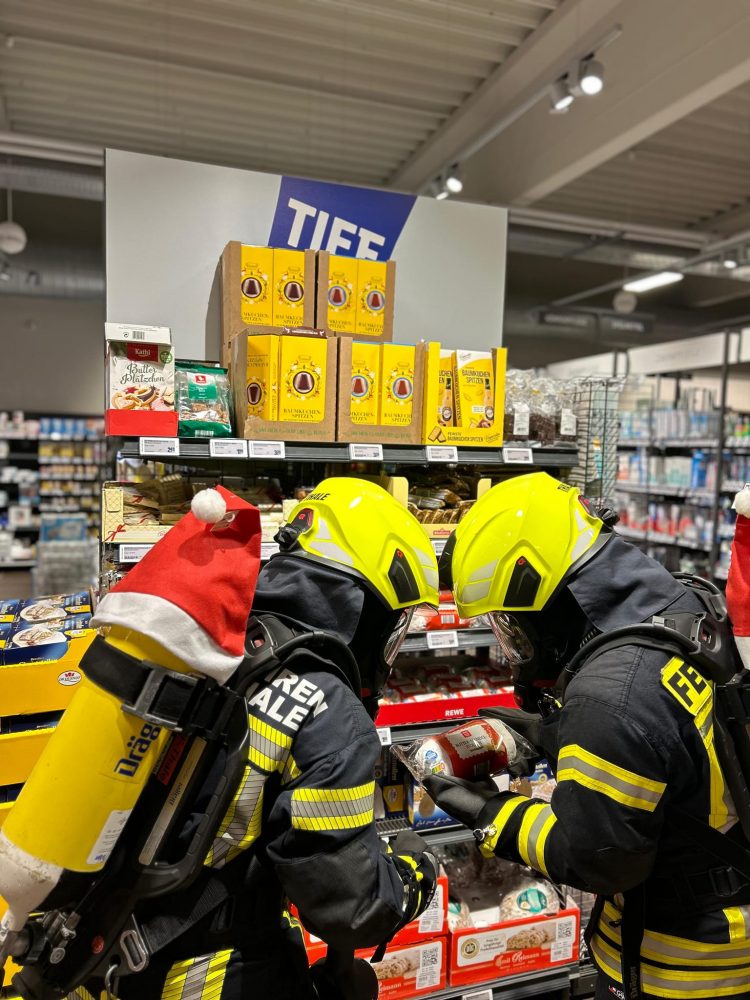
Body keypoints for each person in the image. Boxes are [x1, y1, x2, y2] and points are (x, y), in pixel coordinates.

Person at [425, 472, 750, 1000]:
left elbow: (599, 857)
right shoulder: (681, 605)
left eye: (509, 624)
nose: (511, 646)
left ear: (542, 597)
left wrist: (494, 814)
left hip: (680, 964)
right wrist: (555, 734)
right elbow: (670, 745)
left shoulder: (609, 695)